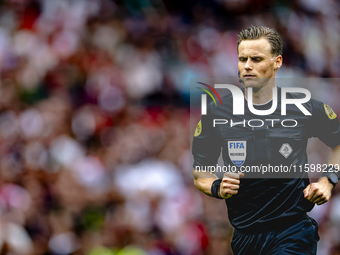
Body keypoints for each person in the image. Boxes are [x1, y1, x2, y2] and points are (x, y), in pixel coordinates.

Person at [192, 26, 340, 255]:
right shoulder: (216, 113)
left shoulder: (304, 107)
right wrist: (216, 186)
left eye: (256, 59)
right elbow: (200, 172)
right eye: (242, 59)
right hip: (245, 237)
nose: (247, 66)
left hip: (293, 232)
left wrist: (327, 180)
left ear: (277, 62)